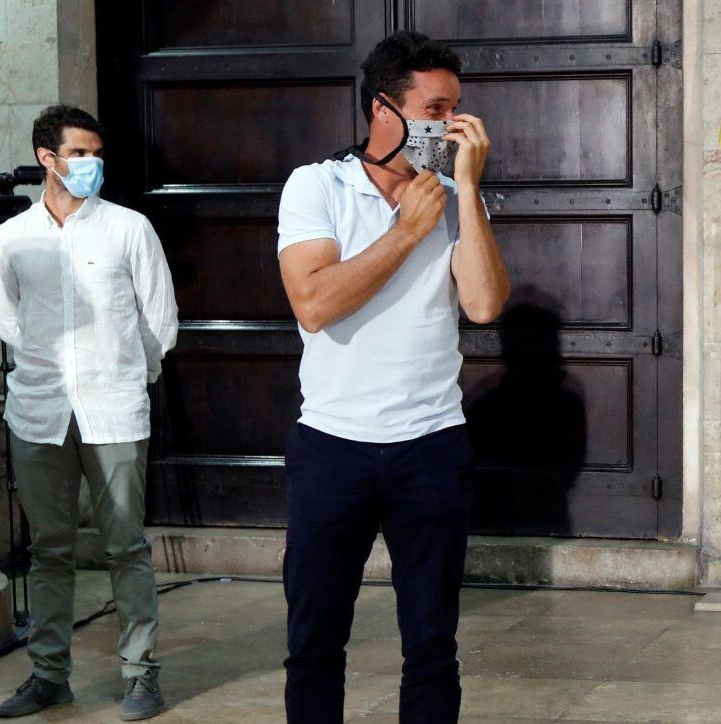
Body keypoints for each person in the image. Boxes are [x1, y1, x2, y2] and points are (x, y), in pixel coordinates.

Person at [276, 31, 510, 723]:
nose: (454, 126)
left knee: (432, 643)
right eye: (437, 109)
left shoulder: (451, 194)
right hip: (332, 446)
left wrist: (465, 187)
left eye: (458, 108)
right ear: (385, 109)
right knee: (315, 641)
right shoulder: (317, 185)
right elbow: (314, 304)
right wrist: (405, 233)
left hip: (432, 445)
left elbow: (485, 303)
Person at [0, 104, 178, 720]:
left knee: (126, 545)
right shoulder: (12, 237)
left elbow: (159, 322)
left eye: (97, 153)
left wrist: (129, 375)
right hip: (39, 411)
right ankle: (49, 675)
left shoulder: (129, 228)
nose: (91, 164)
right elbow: (9, 323)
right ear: (48, 159)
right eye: (78, 153)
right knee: (49, 549)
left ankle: (140, 673)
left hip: (113, 408)